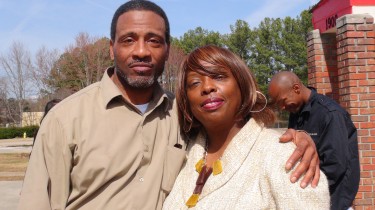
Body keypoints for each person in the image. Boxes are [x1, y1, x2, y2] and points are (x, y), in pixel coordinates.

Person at [19, 1, 321, 210]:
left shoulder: (182, 116)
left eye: (153, 40)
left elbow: (236, 134)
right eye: (128, 40)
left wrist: (295, 140)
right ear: (111, 47)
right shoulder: (64, 120)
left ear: (166, 50)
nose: (141, 51)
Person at [163, 45, 330, 209]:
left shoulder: (283, 155)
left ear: (242, 86)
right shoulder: (183, 150)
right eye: (194, 83)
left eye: (219, 76)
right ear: (186, 99)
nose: (207, 87)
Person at [268, 71, 360, 210]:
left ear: (296, 88)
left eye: (283, 101)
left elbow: (336, 164)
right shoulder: (296, 111)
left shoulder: (329, 114)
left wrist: (304, 187)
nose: (283, 108)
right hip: (312, 199)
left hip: (334, 201)